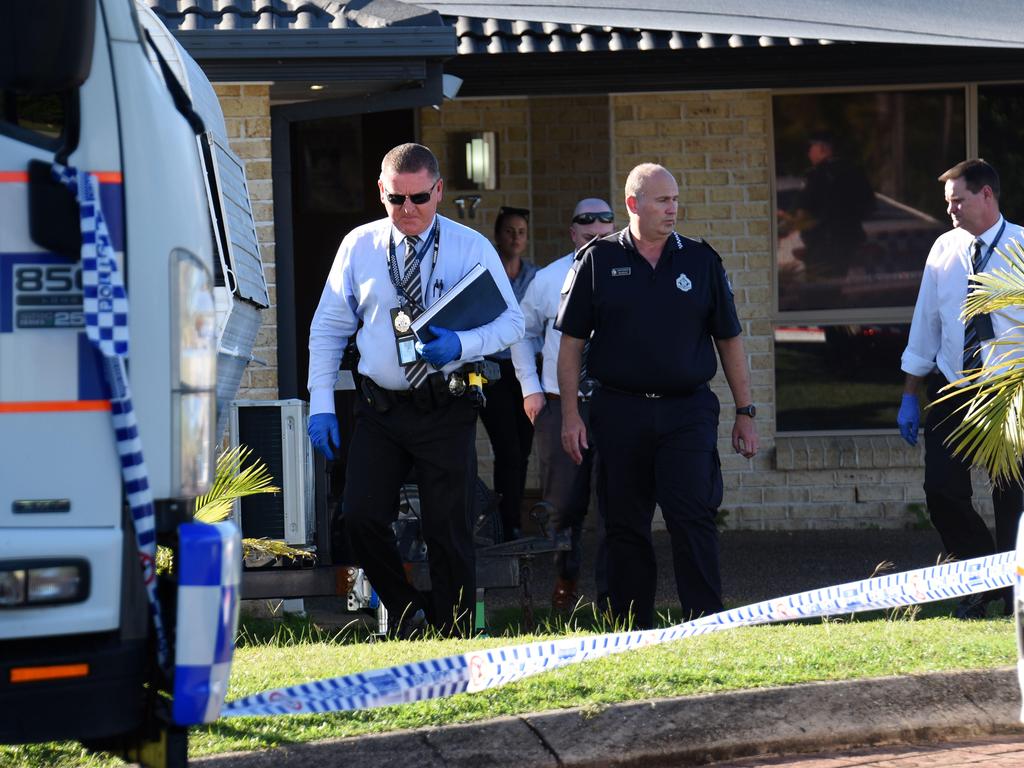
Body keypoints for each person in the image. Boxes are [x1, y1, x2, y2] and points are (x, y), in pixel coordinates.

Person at [306, 143, 524, 637]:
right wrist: (321, 404)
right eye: (396, 199)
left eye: (420, 197)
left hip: (446, 404)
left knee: (448, 529)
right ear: (380, 191)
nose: (408, 209)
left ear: (440, 191)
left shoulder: (470, 246)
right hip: (382, 407)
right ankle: (411, 614)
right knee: (358, 518)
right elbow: (328, 328)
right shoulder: (359, 245)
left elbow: (512, 322)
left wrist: (464, 343)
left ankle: (458, 631)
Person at [555, 163, 758, 630]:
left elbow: (729, 339)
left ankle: (705, 623)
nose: (673, 208)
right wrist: (570, 415)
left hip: (686, 410)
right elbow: (570, 344)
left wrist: (745, 411)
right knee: (624, 525)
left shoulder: (700, 260)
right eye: (662, 200)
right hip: (619, 410)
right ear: (633, 204)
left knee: (693, 518)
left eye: (675, 199)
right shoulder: (598, 259)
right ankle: (630, 628)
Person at [897, 158, 1024, 620]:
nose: (950, 211)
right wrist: (912, 393)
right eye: (947, 203)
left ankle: (1014, 597)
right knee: (941, 490)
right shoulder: (944, 249)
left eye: (958, 201)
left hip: (1011, 394)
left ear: (987, 195)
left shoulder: (1022, 246)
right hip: (956, 387)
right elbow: (926, 323)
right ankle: (979, 577)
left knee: (1012, 498)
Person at [511, 198, 616, 612]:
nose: (594, 242)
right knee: (562, 505)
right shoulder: (550, 279)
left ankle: (613, 593)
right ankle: (564, 584)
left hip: (613, 404)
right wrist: (530, 389)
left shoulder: (627, 275)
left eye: (603, 236)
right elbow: (520, 331)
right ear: (573, 234)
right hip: (559, 403)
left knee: (615, 501)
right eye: (587, 236)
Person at [479, 206, 540, 539]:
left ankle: (513, 520)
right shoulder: (486, 274)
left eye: (521, 232)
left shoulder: (536, 277)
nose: (515, 237)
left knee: (523, 449)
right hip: (494, 371)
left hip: (529, 372)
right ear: (497, 236)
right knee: (507, 449)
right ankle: (507, 524)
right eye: (509, 231)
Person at [786, 131, 875, 280]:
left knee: (822, 292)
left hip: (822, 245)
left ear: (822, 149)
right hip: (850, 241)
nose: (809, 153)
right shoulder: (854, 172)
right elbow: (869, 206)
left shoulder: (816, 176)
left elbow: (803, 211)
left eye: (811, 148)